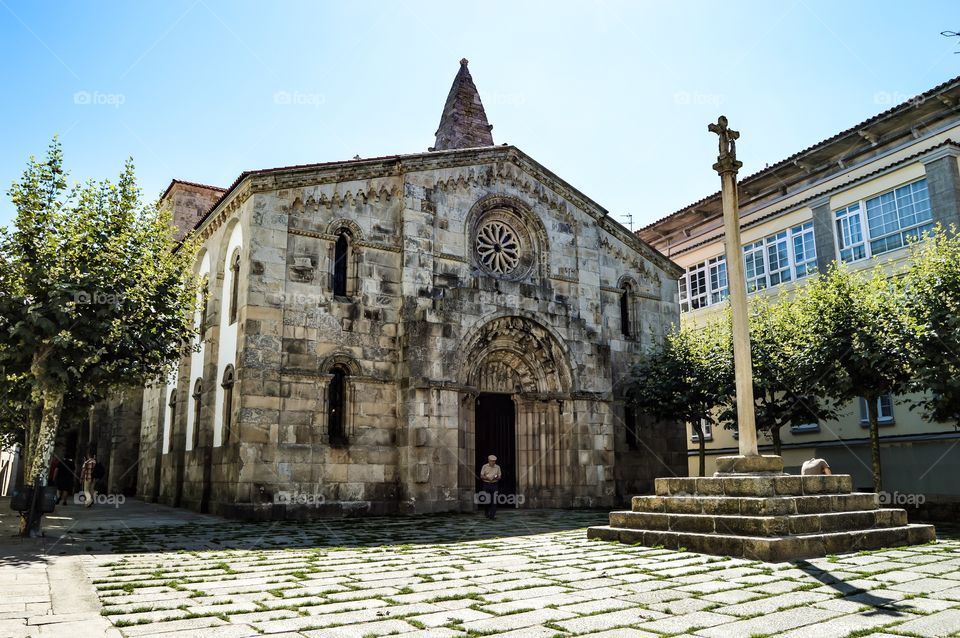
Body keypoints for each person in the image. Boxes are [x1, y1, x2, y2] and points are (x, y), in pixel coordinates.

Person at [479, 454, 501, 519]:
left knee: (494, 500)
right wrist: (487, 478)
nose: (493, 462)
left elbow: (499, 476)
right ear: (488, 460)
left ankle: (492, 516)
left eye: (494, 461)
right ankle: (486, 513)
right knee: (486, 500)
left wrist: (495, 477)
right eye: (492, 461)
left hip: (494, 484)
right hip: (486, 484)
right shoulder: (484, 466)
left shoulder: (497, 467)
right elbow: (481, 476)